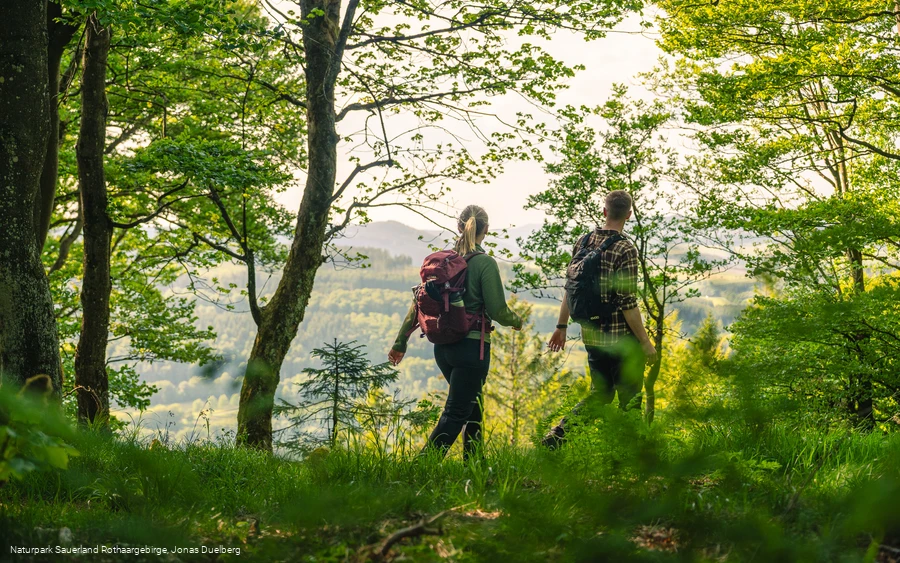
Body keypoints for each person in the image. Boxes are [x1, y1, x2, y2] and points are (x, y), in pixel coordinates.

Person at [389, 205, 522, 461]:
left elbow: (418, 303)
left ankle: (474, 464)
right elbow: (498, 309)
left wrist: (400, 342)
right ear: (485, 230)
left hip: (443, 348)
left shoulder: (442, 263)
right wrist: (516, 320)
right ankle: (420, 467)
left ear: (459, 227)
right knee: (456, 413)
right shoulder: (484, 263)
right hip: (472, 349)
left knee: (473, 406)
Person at [542, 190, 657, 448]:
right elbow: (627, 303)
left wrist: (561, 326)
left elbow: (571, 289)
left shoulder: (583, 242)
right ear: (629, 215)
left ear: (604, 212)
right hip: (621, 338)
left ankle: (558, 437)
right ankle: (629, 455)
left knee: (601, 394)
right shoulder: (625, 248)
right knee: (629, 399)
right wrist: (645, 342)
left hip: (592, 335)